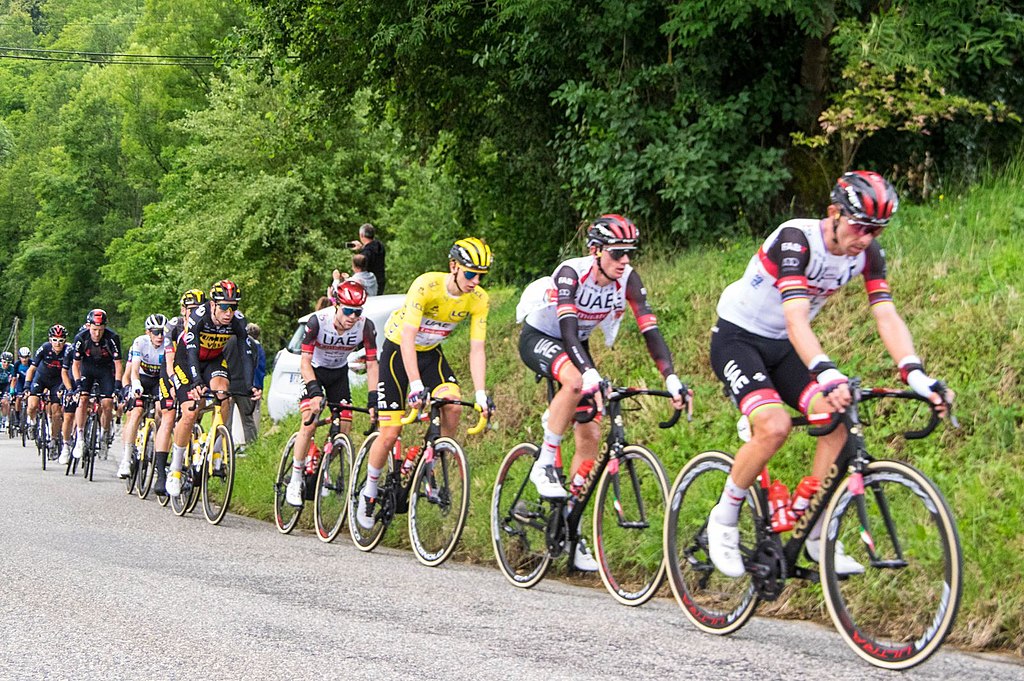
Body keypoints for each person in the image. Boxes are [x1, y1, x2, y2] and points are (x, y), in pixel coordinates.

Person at [705, 171, 953, 578]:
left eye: (876, 230)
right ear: (834, 212)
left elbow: (886, 314)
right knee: (774, 424)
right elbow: (796, 316)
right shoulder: (796, 240)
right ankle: (725, 516)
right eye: (859, 226)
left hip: (785, 347)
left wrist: (915, 374)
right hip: (738, 339)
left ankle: (816, 530)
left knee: (836, 420)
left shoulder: (867, 254)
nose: (866, 237)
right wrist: (825, 371)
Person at [517, 214, 691, 571]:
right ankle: (544, 463)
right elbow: (566, 329)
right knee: (578, 382)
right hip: (543, 336)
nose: (625, 260)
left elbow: (650, 329)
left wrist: (672, 378)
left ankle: (571, 524)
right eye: (617, 253)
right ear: (595, 251)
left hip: (576, 344)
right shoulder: (571, 273)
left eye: (630, 253)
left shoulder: (627, 278)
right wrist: (588, 372)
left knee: (591, 435)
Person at [354, 237, 494, 530]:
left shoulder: (478, 298)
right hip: (397, 351)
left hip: (430, 353)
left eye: (481, 275)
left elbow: (477, 348)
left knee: (453, 406)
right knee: (391, 431)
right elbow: (407, 338)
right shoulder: (427, 285)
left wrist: (481, 393)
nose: (475, 281)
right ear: (453, 266)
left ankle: (433, 459)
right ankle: (368, 492)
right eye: (470, 273)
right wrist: (415, 384)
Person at [286, 281, 379, 507]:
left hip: (338, 374)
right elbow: (305, 363)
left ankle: (323, 465)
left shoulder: (365, 326)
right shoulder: (318, 321)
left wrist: (373, 399)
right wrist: (315, 392)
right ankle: (295, 480)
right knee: (309, 422)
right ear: (336, 305)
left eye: (357, 312)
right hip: (314, 372)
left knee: (345, 426)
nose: (352, 317)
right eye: (347, 310)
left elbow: (373, 364)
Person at [166, 280, 258, 498]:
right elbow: (190, 352)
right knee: (190, 412)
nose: (229, 312)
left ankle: (215, 452)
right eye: (225, 306)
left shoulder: (236, 321)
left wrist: (249, 384)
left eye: (233, 306)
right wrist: (196, 381)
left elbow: (246, 353)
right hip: (188, 362)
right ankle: (176, 470)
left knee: (224, 396)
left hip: (214, 361)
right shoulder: (199, 316)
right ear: (213, 305)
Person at [152, 289, 205, 495]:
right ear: (183, 310)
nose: (195, 313)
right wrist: (174, 382)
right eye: (191, 309)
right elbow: (170, 360)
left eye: (199, 309)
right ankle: (161, 474)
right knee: (169, 416)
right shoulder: (173, 326)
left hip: (194, 369)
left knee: (192, 413)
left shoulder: (205, 323)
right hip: (171, 371)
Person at [63, 310, 123, 462]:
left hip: (105, 370)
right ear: (88, 326)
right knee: (82, 399)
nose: (97, 333)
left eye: (101, 330)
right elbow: (75, 366)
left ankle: (104, 434)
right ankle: (80, 437)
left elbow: (118, 364)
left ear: (105, 327)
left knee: (108, 402)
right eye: (94, 330)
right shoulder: (80, 338)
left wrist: (117, 385)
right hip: (87, 369)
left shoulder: (112, 337)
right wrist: (77, 385)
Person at [117, 314, 171, 478]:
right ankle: (126, 459)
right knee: (136, 412)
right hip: (140, 378)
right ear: (148, 332)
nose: (160, 336)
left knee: (161, 410)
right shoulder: (140, 342)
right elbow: (133, 371)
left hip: (158, 380)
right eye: (156, 332)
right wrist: (135, 385)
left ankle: (154, 446)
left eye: (163, 332)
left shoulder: (168, 344)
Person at [26, 325, 71, 452]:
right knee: (32, 405)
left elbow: (71, 371)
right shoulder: (44, 348)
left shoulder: (68, 350)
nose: (58, 343)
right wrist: (26, 386)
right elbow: (32, 369)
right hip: (41, 378)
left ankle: (54, 438)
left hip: (57, 381)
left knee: (56, 412)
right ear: (50, 340)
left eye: (61, 340)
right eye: (55, 340)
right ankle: (33, 422)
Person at [224, 322, 266, 447]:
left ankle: (224, 451)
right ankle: (253, 448)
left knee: (226, 421)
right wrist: (256, 387)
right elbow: (257, 366)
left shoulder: (226, 341)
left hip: (228, 386)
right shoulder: (253, 345)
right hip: (245, 387)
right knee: (248, 421)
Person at [348, 223, 386, 294]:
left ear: (362, 235)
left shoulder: (366, 253)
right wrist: (362, 247)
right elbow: (372, 251)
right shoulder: (380, 246)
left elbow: (363, 266)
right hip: (381, 280)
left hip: (370, 284)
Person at [0, 351, 14, 429]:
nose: (6, 364)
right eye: (4, 362)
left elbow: (13, 380)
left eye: (8, 362)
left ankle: (5, 419)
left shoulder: (12, 368)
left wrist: (11, 391)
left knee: (5, 401)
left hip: (6, 385)